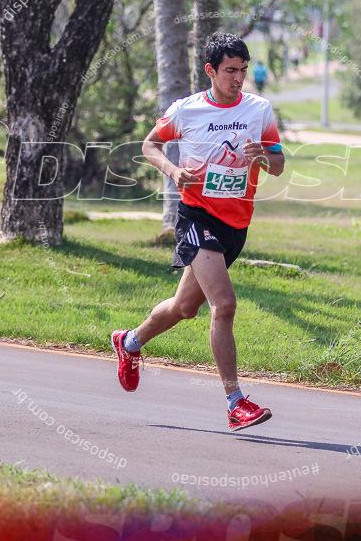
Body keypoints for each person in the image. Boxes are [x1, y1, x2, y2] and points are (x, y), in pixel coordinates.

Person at [112, 31, 285, 432]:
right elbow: (150, 145)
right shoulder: (186, 111)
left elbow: (277, 164)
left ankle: (129, 342)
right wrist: (173, 171)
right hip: (196, 218)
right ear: (211, 70)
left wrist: (266, 158)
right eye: (229, 71)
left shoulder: (259, 110)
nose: (238, 78)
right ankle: (235, 402)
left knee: (183, 308)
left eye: (242, 70)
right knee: (223, 305)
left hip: (236, 224)